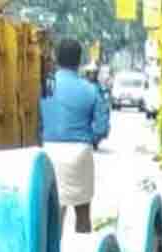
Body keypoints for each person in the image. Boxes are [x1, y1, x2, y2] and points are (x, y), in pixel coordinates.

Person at [40, 38, 110, 234]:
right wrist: (90, 138)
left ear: (56, 58)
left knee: (54, 214)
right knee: (83, 214)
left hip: (49, 151)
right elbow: (102, 127)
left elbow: (35, 119)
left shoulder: (45, 86)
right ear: (79, 61)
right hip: (80, 152)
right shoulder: (91, 89)